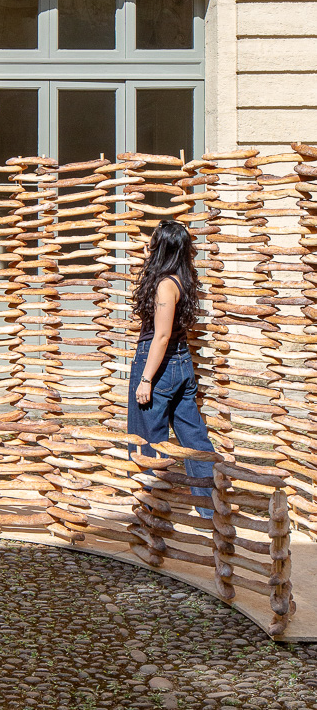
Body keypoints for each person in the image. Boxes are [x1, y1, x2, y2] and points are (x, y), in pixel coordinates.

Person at [129, 217, 215, 511]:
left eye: (153, 239)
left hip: (159, 365)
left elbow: (162, 336)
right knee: (193, 437)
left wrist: (146, 379)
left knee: (147, 436)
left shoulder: (165, 285)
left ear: (161, 247)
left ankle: (151, 507)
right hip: (181, 363)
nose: (147, 243)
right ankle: (209, 508)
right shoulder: (183, 279)